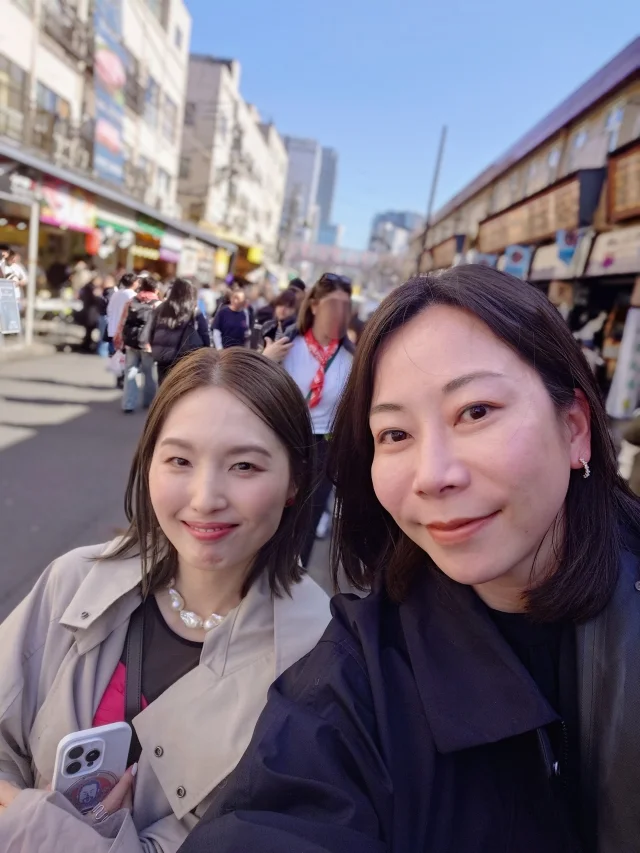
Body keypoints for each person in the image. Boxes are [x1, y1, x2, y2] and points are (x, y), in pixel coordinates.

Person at [182, 266, 640, 853]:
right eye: (395, 434)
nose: (433, 475)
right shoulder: (361, 670)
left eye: (475, 411)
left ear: (575, 427)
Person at [0, 347, 331, 853]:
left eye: (244, 465)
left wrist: (43, 829)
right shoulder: (74, 584)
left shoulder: (320, 655)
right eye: (179, 460)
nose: (204, 497)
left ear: (294, 481)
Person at [264, 273, 353, 567]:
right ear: (314, 306)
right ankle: (260, 575)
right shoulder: (289, 345)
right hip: (286, 441)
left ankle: (293, 578)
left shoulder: (351, 358)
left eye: (345, 305)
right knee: (272, 512)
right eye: (332, 304)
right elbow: (255, 388)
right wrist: (266, 360)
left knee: (308, 519)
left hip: (325, 447)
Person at [149, 278, 210, 385]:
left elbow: (150, 329)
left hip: (162, 356)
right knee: (179, 389)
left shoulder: (161, 308)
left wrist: (154, 345)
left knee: (163, 387)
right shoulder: (194, 311)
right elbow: (204, 334)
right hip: (184, 357)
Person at [115, 277, 161, 414]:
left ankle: (128, 404)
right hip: (148, 344)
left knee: (130, 372)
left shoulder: (131, 302)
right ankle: (149, 402)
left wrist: (119, 339)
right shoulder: (158, 305)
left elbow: (122, 322)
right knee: (149, 374)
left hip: (131, 342)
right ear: (155, 289)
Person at [211, 285, 250, 350]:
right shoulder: (223, 312)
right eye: (235, 298)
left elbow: (247, 333)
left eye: (240, 299)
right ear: (231, 298)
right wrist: (219, 348)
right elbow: (216, 331)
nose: (236, 301)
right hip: (225, 350)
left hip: (239, 350)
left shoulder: (245, 313)